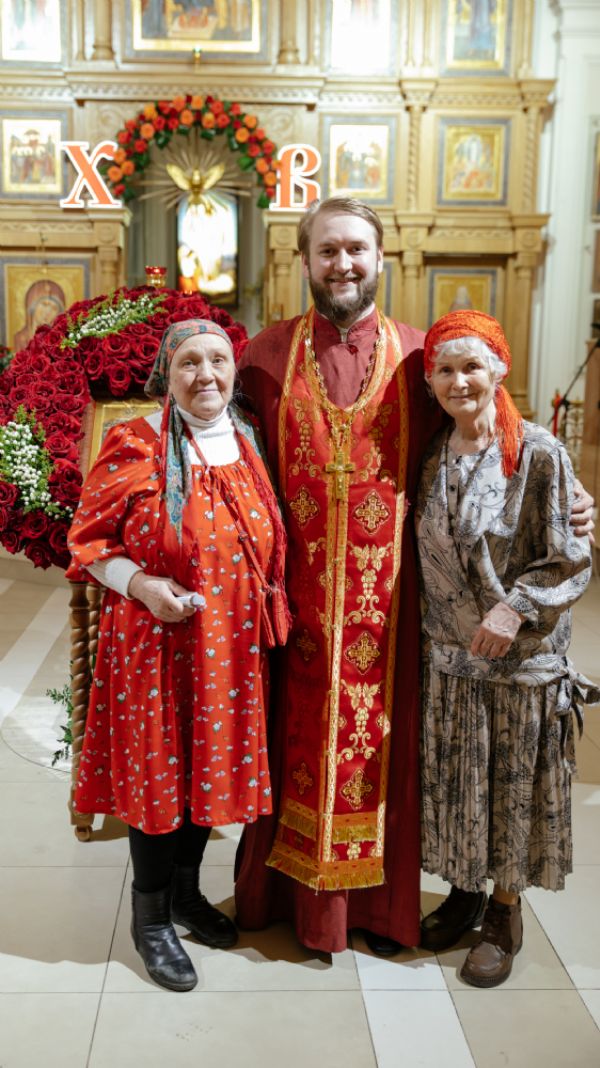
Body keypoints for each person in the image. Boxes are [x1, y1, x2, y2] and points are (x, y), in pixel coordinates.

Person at [233, 196, 595, 957]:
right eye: (328, 250)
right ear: (304, 259)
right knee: (312, 747)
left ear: (381, 258)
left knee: (436, 759)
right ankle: (292, 900)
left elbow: (493, 433)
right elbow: (226, 461)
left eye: (356, 249)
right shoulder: (262, 357)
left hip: (398, 616)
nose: (343, 264)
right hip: (299, 611)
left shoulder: (419, 357)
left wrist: (571, 501)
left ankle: (391, 907)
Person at [67, 319, 289, 991]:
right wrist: (140, 584)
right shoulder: (134, 441)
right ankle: (152, 918)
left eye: (218, 359)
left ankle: (188, 894)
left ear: (234, 370)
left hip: (231, 649)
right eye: (189, 362)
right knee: (161, 776)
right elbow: (88, 541)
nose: (206, 375)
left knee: (206, 771)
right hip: (156, 646)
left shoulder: (250, 441)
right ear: (167, 374)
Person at [416, 310, 599, 986]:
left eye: (472, 366)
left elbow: (570, 556)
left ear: (499, 369)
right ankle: (465, 891)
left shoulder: (538, 453)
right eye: (445, 369)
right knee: (462, 785)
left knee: (512, 791)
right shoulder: (431, 451)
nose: (459, 381)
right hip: (451, 658)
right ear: (430, 381)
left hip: (521, 662)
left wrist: (513, 607)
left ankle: (504, 912)